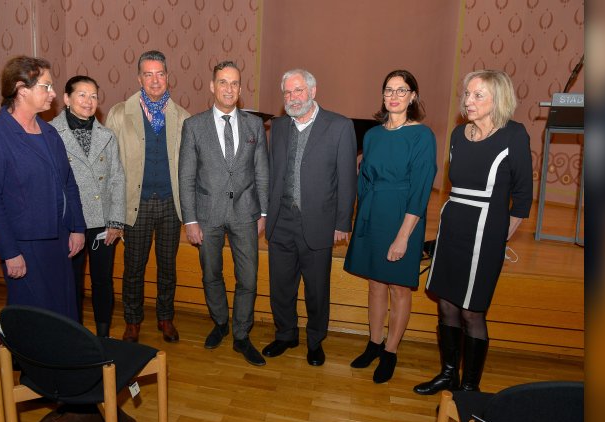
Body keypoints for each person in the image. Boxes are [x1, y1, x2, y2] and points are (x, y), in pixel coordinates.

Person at [414, 70, 533, 395]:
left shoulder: (514, 135)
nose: (468, 100)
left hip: (486, 230)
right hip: (453, 225)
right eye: (467, 94)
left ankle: (469, 388)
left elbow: (522, 199)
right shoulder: (457, 134)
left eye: (478, 95)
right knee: (447, 305)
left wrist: (498, 238)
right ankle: (448, 375)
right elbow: (455, 188)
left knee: (471, 311)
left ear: (499, 99)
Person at [0, 56, 86, 321]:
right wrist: (9, 252)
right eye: (46, 87)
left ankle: (65, 362)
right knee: (34, 321)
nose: (54, 94)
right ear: (21, 89)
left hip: (59, 242)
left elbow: (68, 183)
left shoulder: (50, 133)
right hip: (24, 246)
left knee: (63, 315)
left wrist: (77, 228)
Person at [343, 70, 437, 383]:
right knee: (375, 284)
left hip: (403, 217)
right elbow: (364, 182)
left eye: (401, 90)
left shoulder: (422, 136)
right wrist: (360, 222)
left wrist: (403, 237)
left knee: (398, 287)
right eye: (388, 90)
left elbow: (421, 190)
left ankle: (391, 351)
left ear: (413, 96)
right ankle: (373, 343)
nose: (393, 96)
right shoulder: (372, 135)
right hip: (372, 213)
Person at [262, 69, 357, 366]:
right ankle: (286, 335)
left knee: (317, 289)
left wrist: (342, 223)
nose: (292, 98)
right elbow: (271, 174)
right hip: (281, 221)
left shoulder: (340, 126)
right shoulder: (277, 127)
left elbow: (347, 179)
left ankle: (315, 341)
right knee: (281, 286)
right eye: (287, 93)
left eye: (298, 91)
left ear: (313, 92)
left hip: (318, 222)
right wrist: (265, 214)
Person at [178, 61, 269, 366]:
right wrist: (190, 220)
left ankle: (242, 335)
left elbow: (262, 172)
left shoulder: (255, 126)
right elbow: (186, 176)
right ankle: (220, 322)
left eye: (234, 83)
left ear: (240, 89)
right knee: (211, 274)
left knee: (248, 278)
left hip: (246, 212)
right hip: (207, 215)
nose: (229, 88)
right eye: (223, 82)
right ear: (212, 86)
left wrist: (264, 212)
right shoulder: (193, 126)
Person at [105, 50, 191, 343]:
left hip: (170, 204)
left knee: (168, 266)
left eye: (160, 74)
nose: (155, 80)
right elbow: (110, 166)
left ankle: (165, 318)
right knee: (134, 268)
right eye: (148, 74)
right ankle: (133, 321)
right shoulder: (118, 114)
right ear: (139, 78)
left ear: (168, 77)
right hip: (135, 205)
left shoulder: (183, 118)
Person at [50, 75, 126, 337]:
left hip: (102, 224)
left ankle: (103, 335)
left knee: (103, 281)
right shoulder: (49, 133)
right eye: (82, 95)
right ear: (67, 99)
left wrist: (116, 222)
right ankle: (75, 335)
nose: (89, 101)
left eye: (94, 95)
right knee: (71, 284)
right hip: (68, 224)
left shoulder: (107, 135)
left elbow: (117, 178)